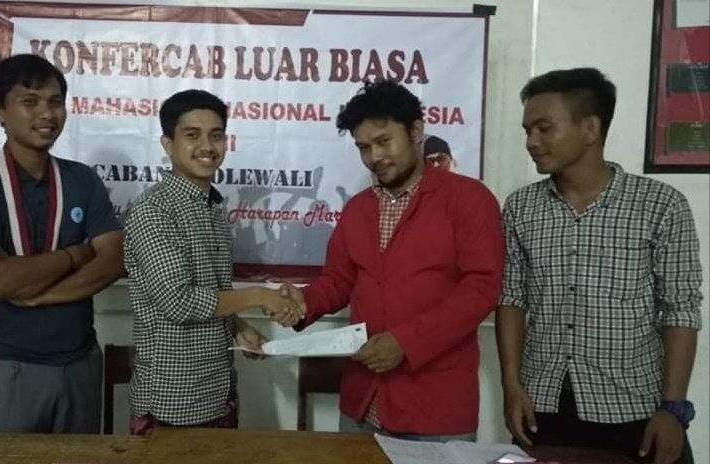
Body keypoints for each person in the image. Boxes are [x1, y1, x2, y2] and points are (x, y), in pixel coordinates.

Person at [496, 68, 702, 464]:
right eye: (527, 131)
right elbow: (511, 298)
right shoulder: (521, 208)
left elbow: (680, 309)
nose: (532, 142)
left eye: (544, 128)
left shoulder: (661, 205)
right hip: (544, 406)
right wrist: (512, 386)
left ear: (590, 128)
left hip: (634, 409)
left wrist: (673, 408)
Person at [283, 80, 504, 440]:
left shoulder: (469, 200)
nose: (374, 157)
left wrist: (405, 342)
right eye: (363, 147)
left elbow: (481, 290)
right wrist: (303, 302)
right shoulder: (358, 209)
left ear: (416, 131)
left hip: (435, 407)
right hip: (362, 402)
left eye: (384, 141)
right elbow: (339, 280)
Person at [0, 54, 125, 433]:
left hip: (79, 363)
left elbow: (114, 259)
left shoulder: (82, 180)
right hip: (7, 368)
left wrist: (41, 295)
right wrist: (75, 254)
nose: (47, 113)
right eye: (29, 101)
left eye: (55, 102)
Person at [123, 89, 303, 435]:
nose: (207, 146)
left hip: (218, 392)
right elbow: (179, 301)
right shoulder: (154, 211)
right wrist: (259, 295)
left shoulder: (211, 208)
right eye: (192, 135)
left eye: (216, 135)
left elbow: (208, 293)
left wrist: (237, 327)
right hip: (173, 401)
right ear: (168, 144)